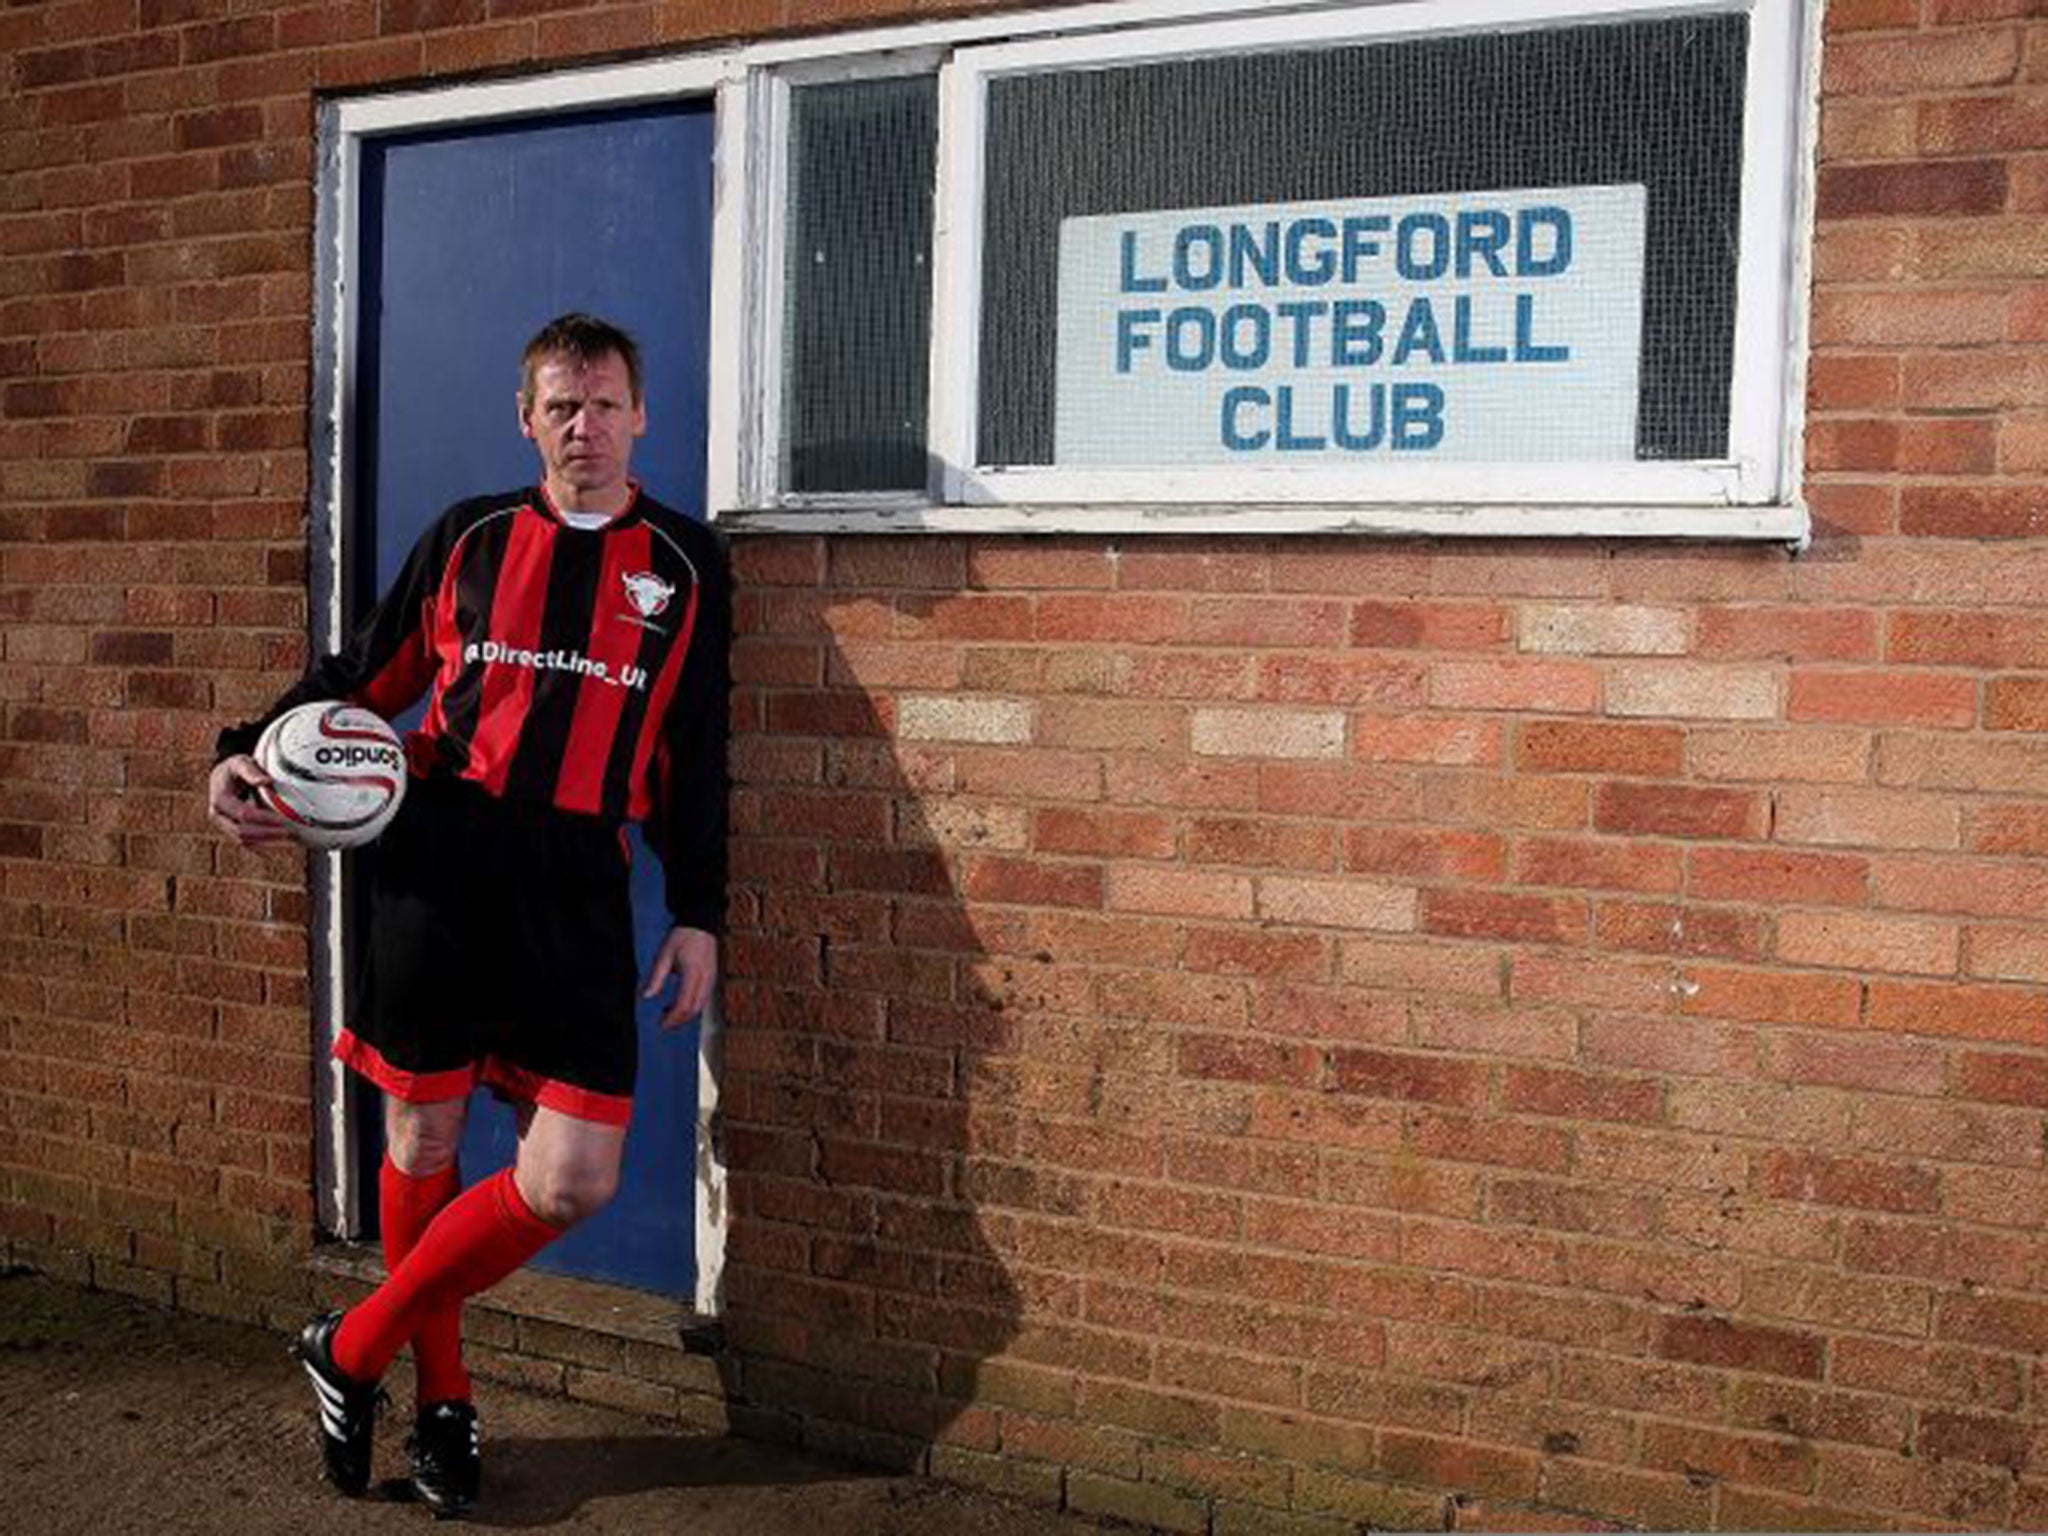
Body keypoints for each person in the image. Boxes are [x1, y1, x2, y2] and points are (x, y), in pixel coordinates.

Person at [206, 312, 730, 1517]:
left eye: (603, 404)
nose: (583, 427)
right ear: (526, 419)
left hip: (577, 883)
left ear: (639, 415)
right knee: (422, 1147)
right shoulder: (472, 537)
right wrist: (242, 748)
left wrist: (696, 908)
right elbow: (367, 679)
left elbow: (694, 759)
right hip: (438, 862)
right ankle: (445, 1404)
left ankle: (351, 1344)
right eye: (559, 406)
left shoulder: (689, 570)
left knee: (571, 1179)